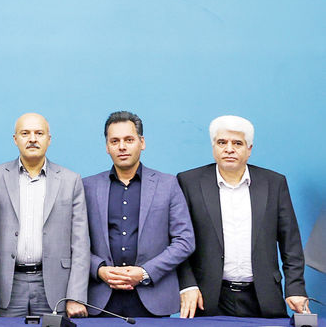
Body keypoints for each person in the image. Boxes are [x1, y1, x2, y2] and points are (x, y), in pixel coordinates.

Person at [177, 115, 308, 318]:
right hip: (207, 296)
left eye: (237, 143)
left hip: (263, 296)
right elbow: (178, 240)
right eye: (222, 142)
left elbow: (290, 242)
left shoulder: (273, 183)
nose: (229, 149)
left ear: (249, 149)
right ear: (213, 146)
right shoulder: (189, 182)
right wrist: (187, 285)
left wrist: (295, 288)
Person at [84, 111, 195, 317]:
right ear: (107, 146)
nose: (122, 147)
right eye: (115, 141)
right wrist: (98, 270)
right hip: (100, 298)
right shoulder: (88, 187)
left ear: (141, 142)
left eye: (129, 140)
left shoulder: (168, 184)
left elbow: (185, 241)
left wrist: (145, 272)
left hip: (153, 297)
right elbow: (75, 242)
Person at [0, 113, 89, 318]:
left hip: (55, 286)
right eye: (25, 133)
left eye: (39, 133)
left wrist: (76, 296)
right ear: (15, 139)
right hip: (7, 285)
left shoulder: (70, 180)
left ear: (49, 139)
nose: (32, 139)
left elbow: (80, 244)